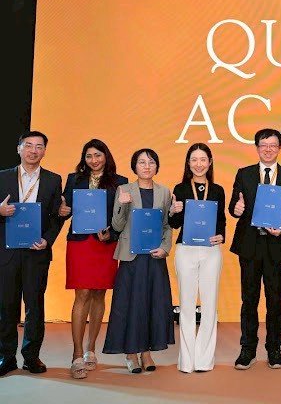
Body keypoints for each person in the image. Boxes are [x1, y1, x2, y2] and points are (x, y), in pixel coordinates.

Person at [58, 139, 127, 379]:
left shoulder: (120, 182)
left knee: (99, 293)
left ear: (106, 156)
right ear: (84, 158)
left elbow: (123, 216)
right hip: (80, 244)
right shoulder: (73, 179)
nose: (94, 160)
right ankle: (77, 355)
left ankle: (91, 349)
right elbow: (64, 210)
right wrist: (62, 211)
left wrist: (112, 234)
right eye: (89, 156)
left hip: (105, 245)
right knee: (82, 293)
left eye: (98, 155)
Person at [103, 148, 174, 373]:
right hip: (131, 256)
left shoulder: (164, 192)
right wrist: (122, 204)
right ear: (134, 166)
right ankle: (131, 353)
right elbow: (117, 226)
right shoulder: (124, 189)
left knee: (152, 304)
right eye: (142, 162)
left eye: (151, 162)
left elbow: (167, 225)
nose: (146, 166)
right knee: (130, 304)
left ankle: (146, 353)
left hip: (154, 257)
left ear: (157, 166)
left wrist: (165, 248)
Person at [228, 129, 281, 370]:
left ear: (279, 148)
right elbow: (234, 206)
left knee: (275, 300)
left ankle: (274, 349)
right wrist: (236, 209)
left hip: (276, 245)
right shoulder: (244, 173)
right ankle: (247, 348)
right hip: (250, 245)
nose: (268, 149)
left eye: (273, 145)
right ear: (257, 147)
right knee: (249, 299)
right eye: (263, 145)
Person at [0, 131, 63, 377]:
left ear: (44, 151)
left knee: (35, 306)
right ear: (19, 149)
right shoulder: (3, 177)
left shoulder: (53, 180)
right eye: (28, 145)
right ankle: (6, 357)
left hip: (36, 252)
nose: (33, 151)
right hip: (7, 252)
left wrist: (47, 240)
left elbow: (57, 216)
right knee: (6, 305)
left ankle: (31, 357)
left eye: (39, 146)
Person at [168, 143, 225, 373]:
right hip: (186, 250)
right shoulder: (180, 188)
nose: (199, 164)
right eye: (194, 160)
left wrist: (221, 235)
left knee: (210, 305)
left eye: (203, 159)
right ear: (188, 163)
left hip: (211, 251)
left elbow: (221, 220)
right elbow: (174, 224)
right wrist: (173, 211)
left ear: (210, 162)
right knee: (187, 305)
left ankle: (204, 359)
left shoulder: (218, 190)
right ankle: (187, 360)